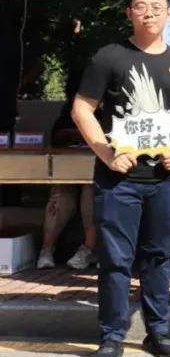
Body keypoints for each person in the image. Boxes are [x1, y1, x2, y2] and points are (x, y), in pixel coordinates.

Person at [71, 0, 170, 357]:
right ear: (129, 12)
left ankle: (159, 331)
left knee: (159, 257)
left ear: (169, 13)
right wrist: (107, 154)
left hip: (163, 180)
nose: (149, 14)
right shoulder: (109, 57)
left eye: (157, 7)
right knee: (115, 260)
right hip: (118, 181)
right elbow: (81, 109)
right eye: (141, 7)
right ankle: (111, 336)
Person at [38, 93, 96, 270]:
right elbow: (55, 141)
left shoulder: (110, 113)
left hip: (98, 173)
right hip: (68, 171)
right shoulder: (66, 118)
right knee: (61, 194)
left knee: (91, 192)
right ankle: (46, 249)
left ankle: (88, 249)